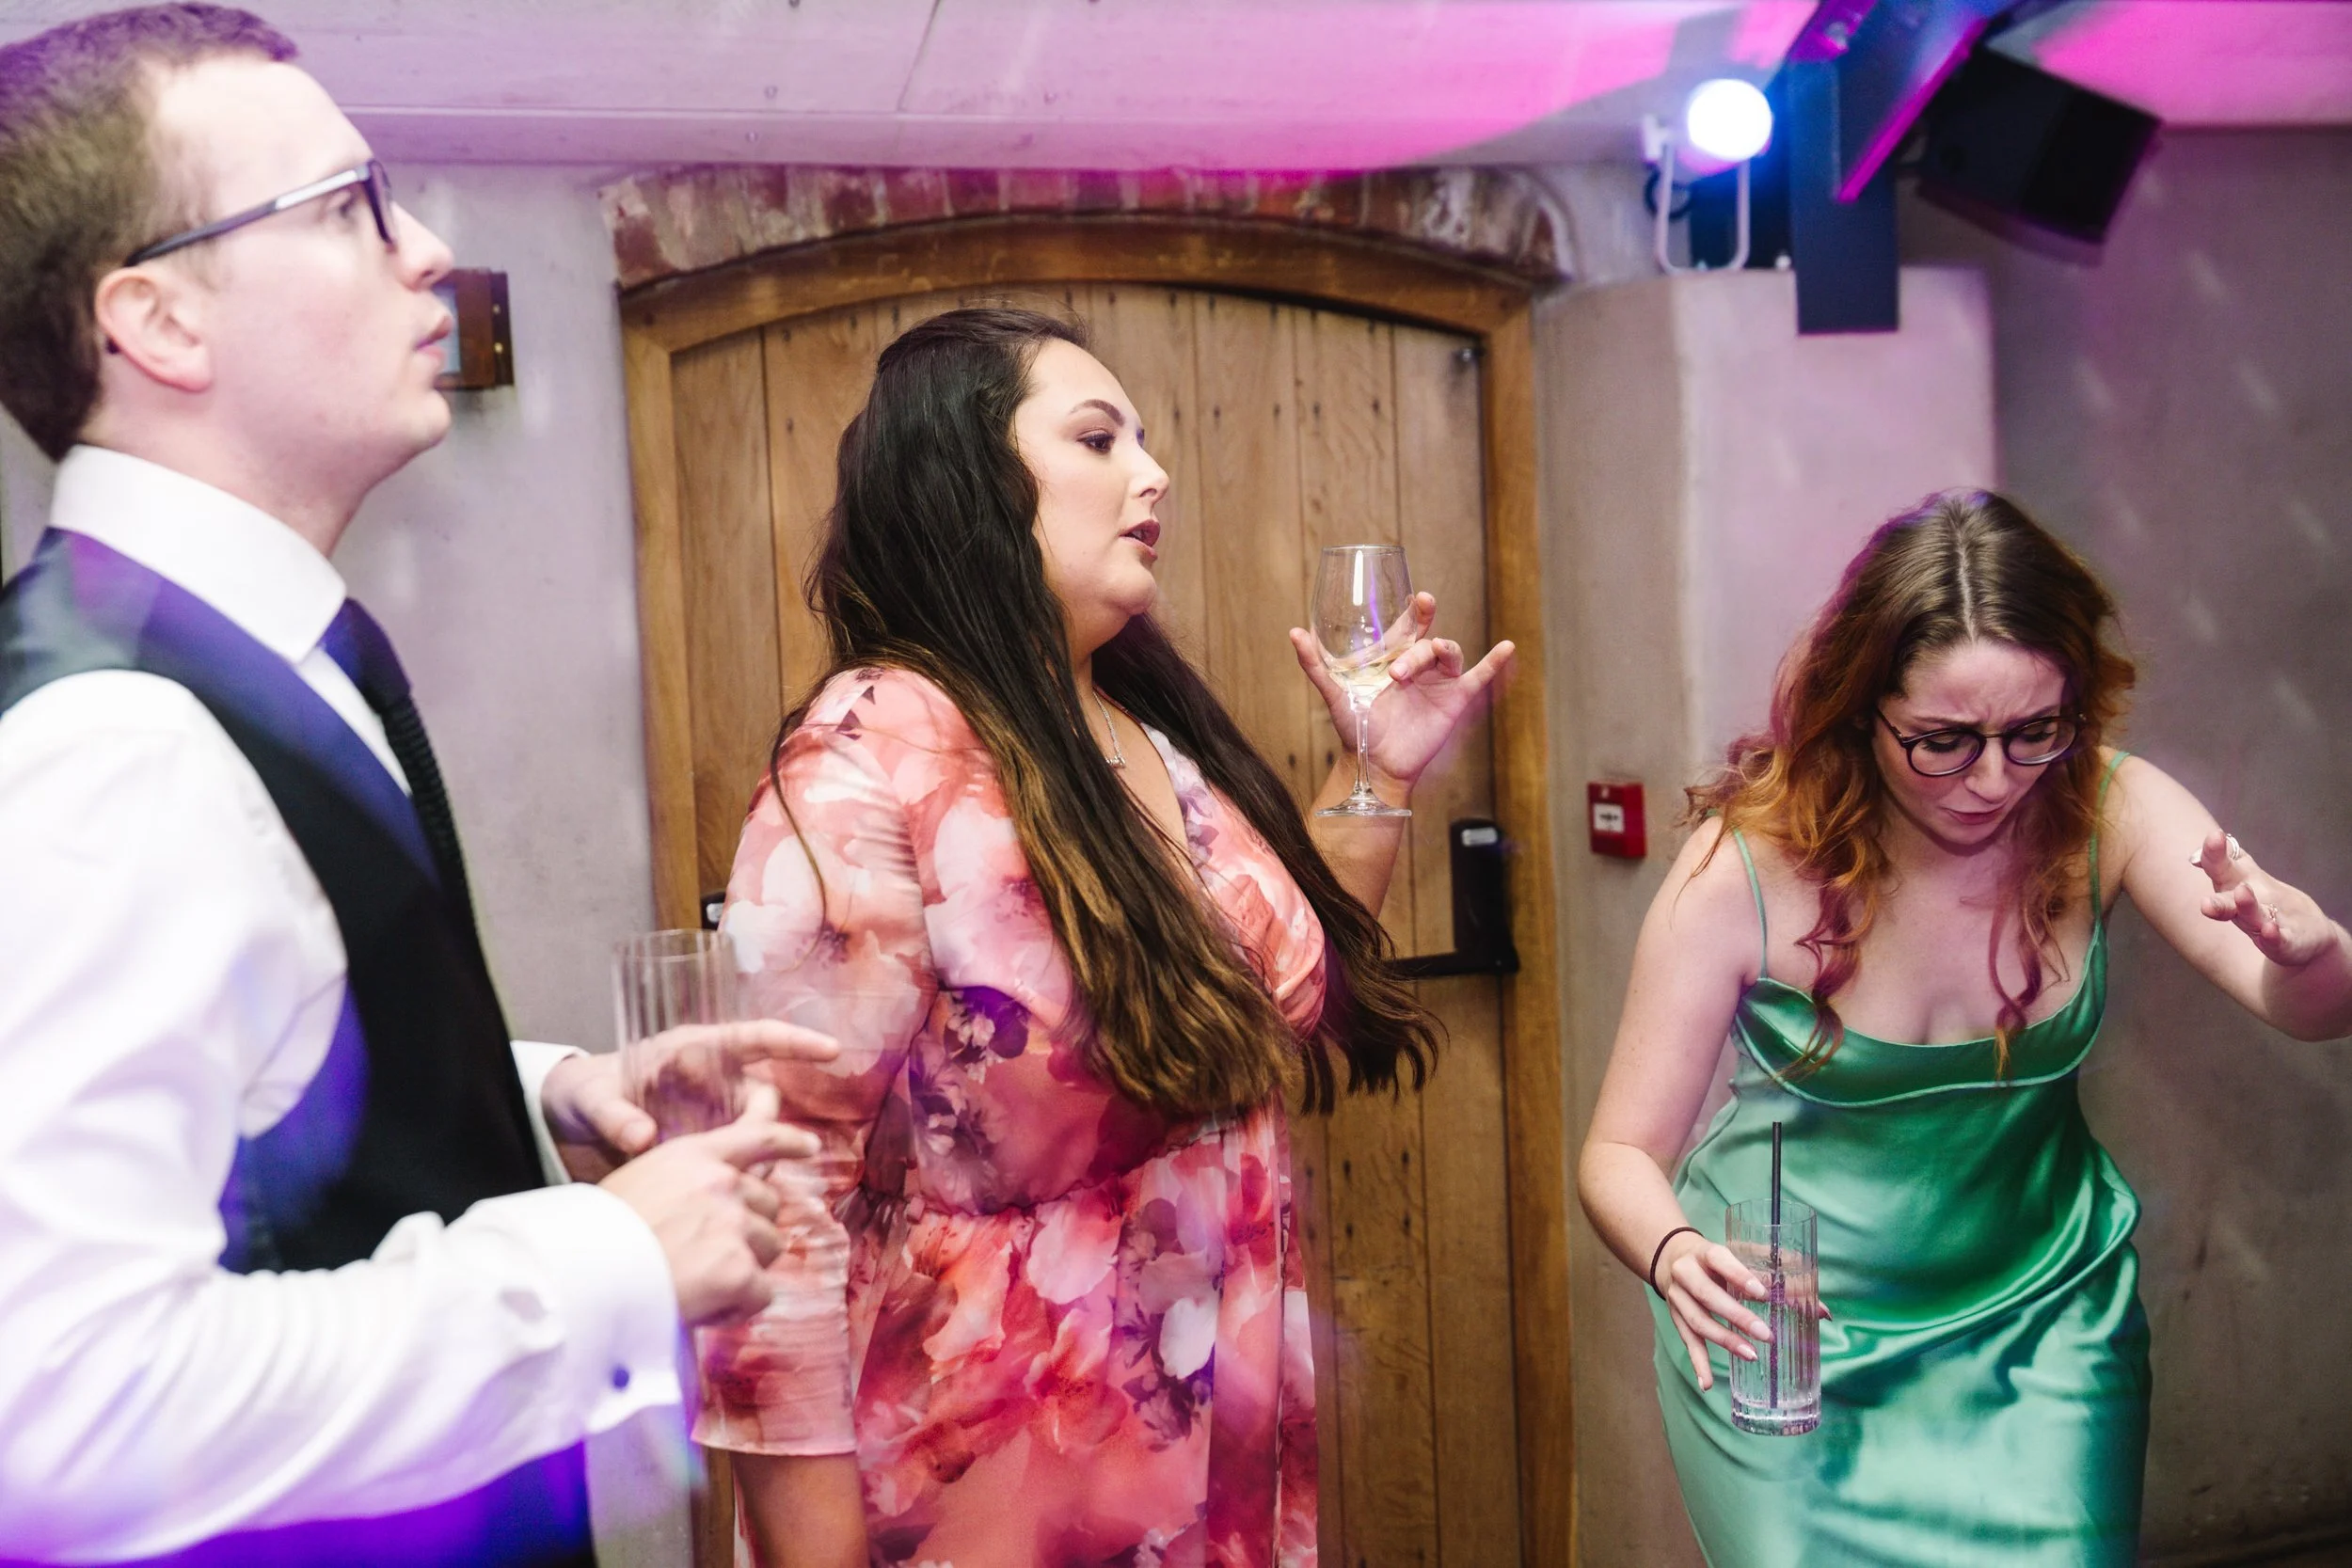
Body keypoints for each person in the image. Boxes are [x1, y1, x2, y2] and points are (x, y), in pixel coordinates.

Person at [0, 8, 835, 1563]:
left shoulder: (247, 657)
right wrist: (601, 1261)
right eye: (347, 210)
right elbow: (56, 1417)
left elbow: (241, 1074)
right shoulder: (109, 743)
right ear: (159, 321)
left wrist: (533, 1091)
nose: (429, 250)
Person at [692, 306, 1515, 1567]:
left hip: (1207, 1448)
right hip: (991, 1481)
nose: (1154, 472)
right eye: (1097, 438)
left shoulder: (1129, 724)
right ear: (966, 480)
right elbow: (773, 1210)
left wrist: (1377, 770)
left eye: (1143, 439)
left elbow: (1275, 988)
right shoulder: (870, 756)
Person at [1578, 490, 2352, 1565]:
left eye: (2035, 730)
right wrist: (1672, 1253)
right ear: (1861, 707)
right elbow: (1619, 1149)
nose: (1993, 779)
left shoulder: (2109, 808)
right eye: (1942, 741)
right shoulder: (1744, 869)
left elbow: (2307, 1009)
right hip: (1795, 1334)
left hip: (2043, 1323)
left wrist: (2315, 954)